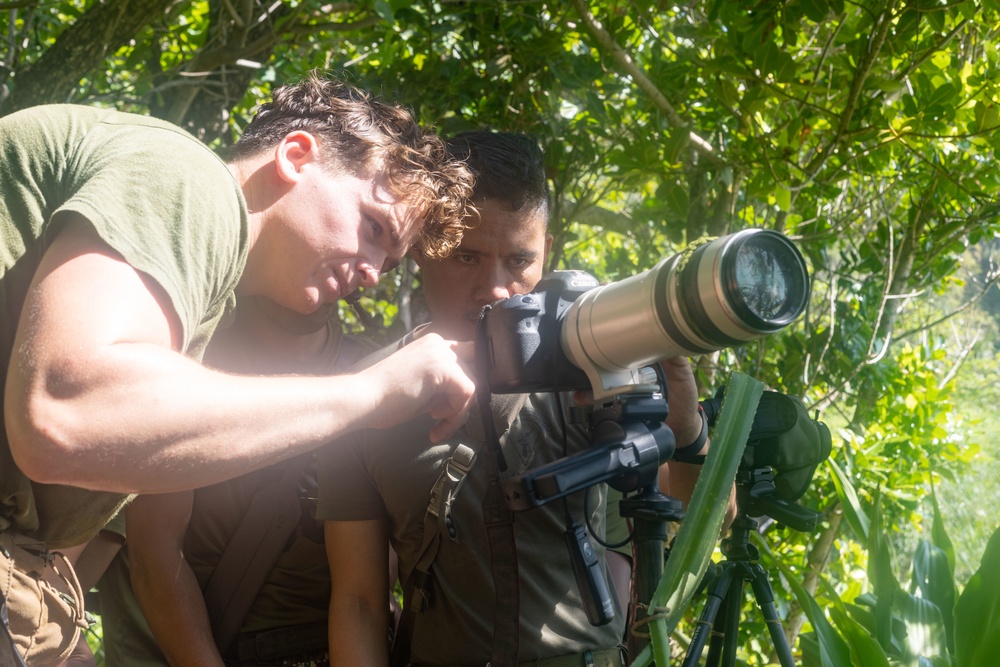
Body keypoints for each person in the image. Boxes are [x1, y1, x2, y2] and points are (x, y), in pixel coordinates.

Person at [0, 71, 477, 666]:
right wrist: (368, 394)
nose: (374, 272)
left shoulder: (197, 310)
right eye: (373, 227)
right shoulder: (188, 177)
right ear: (297, 155)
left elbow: (69, 527)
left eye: (390, 257)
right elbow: (65, 411)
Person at [317, 131, 711, 666]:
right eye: (466, 257)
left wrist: (687, 432)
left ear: (548, 251)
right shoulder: (368, 398)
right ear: (422, 249)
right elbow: (360, 601)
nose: (497, 289)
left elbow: (705, 519)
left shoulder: (599, 370)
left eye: (520, 260)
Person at [118, 294, 382, 667]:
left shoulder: (376, 372)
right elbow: (154, 553)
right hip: (224, 649)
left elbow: (376, 586)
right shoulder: (189, 363)